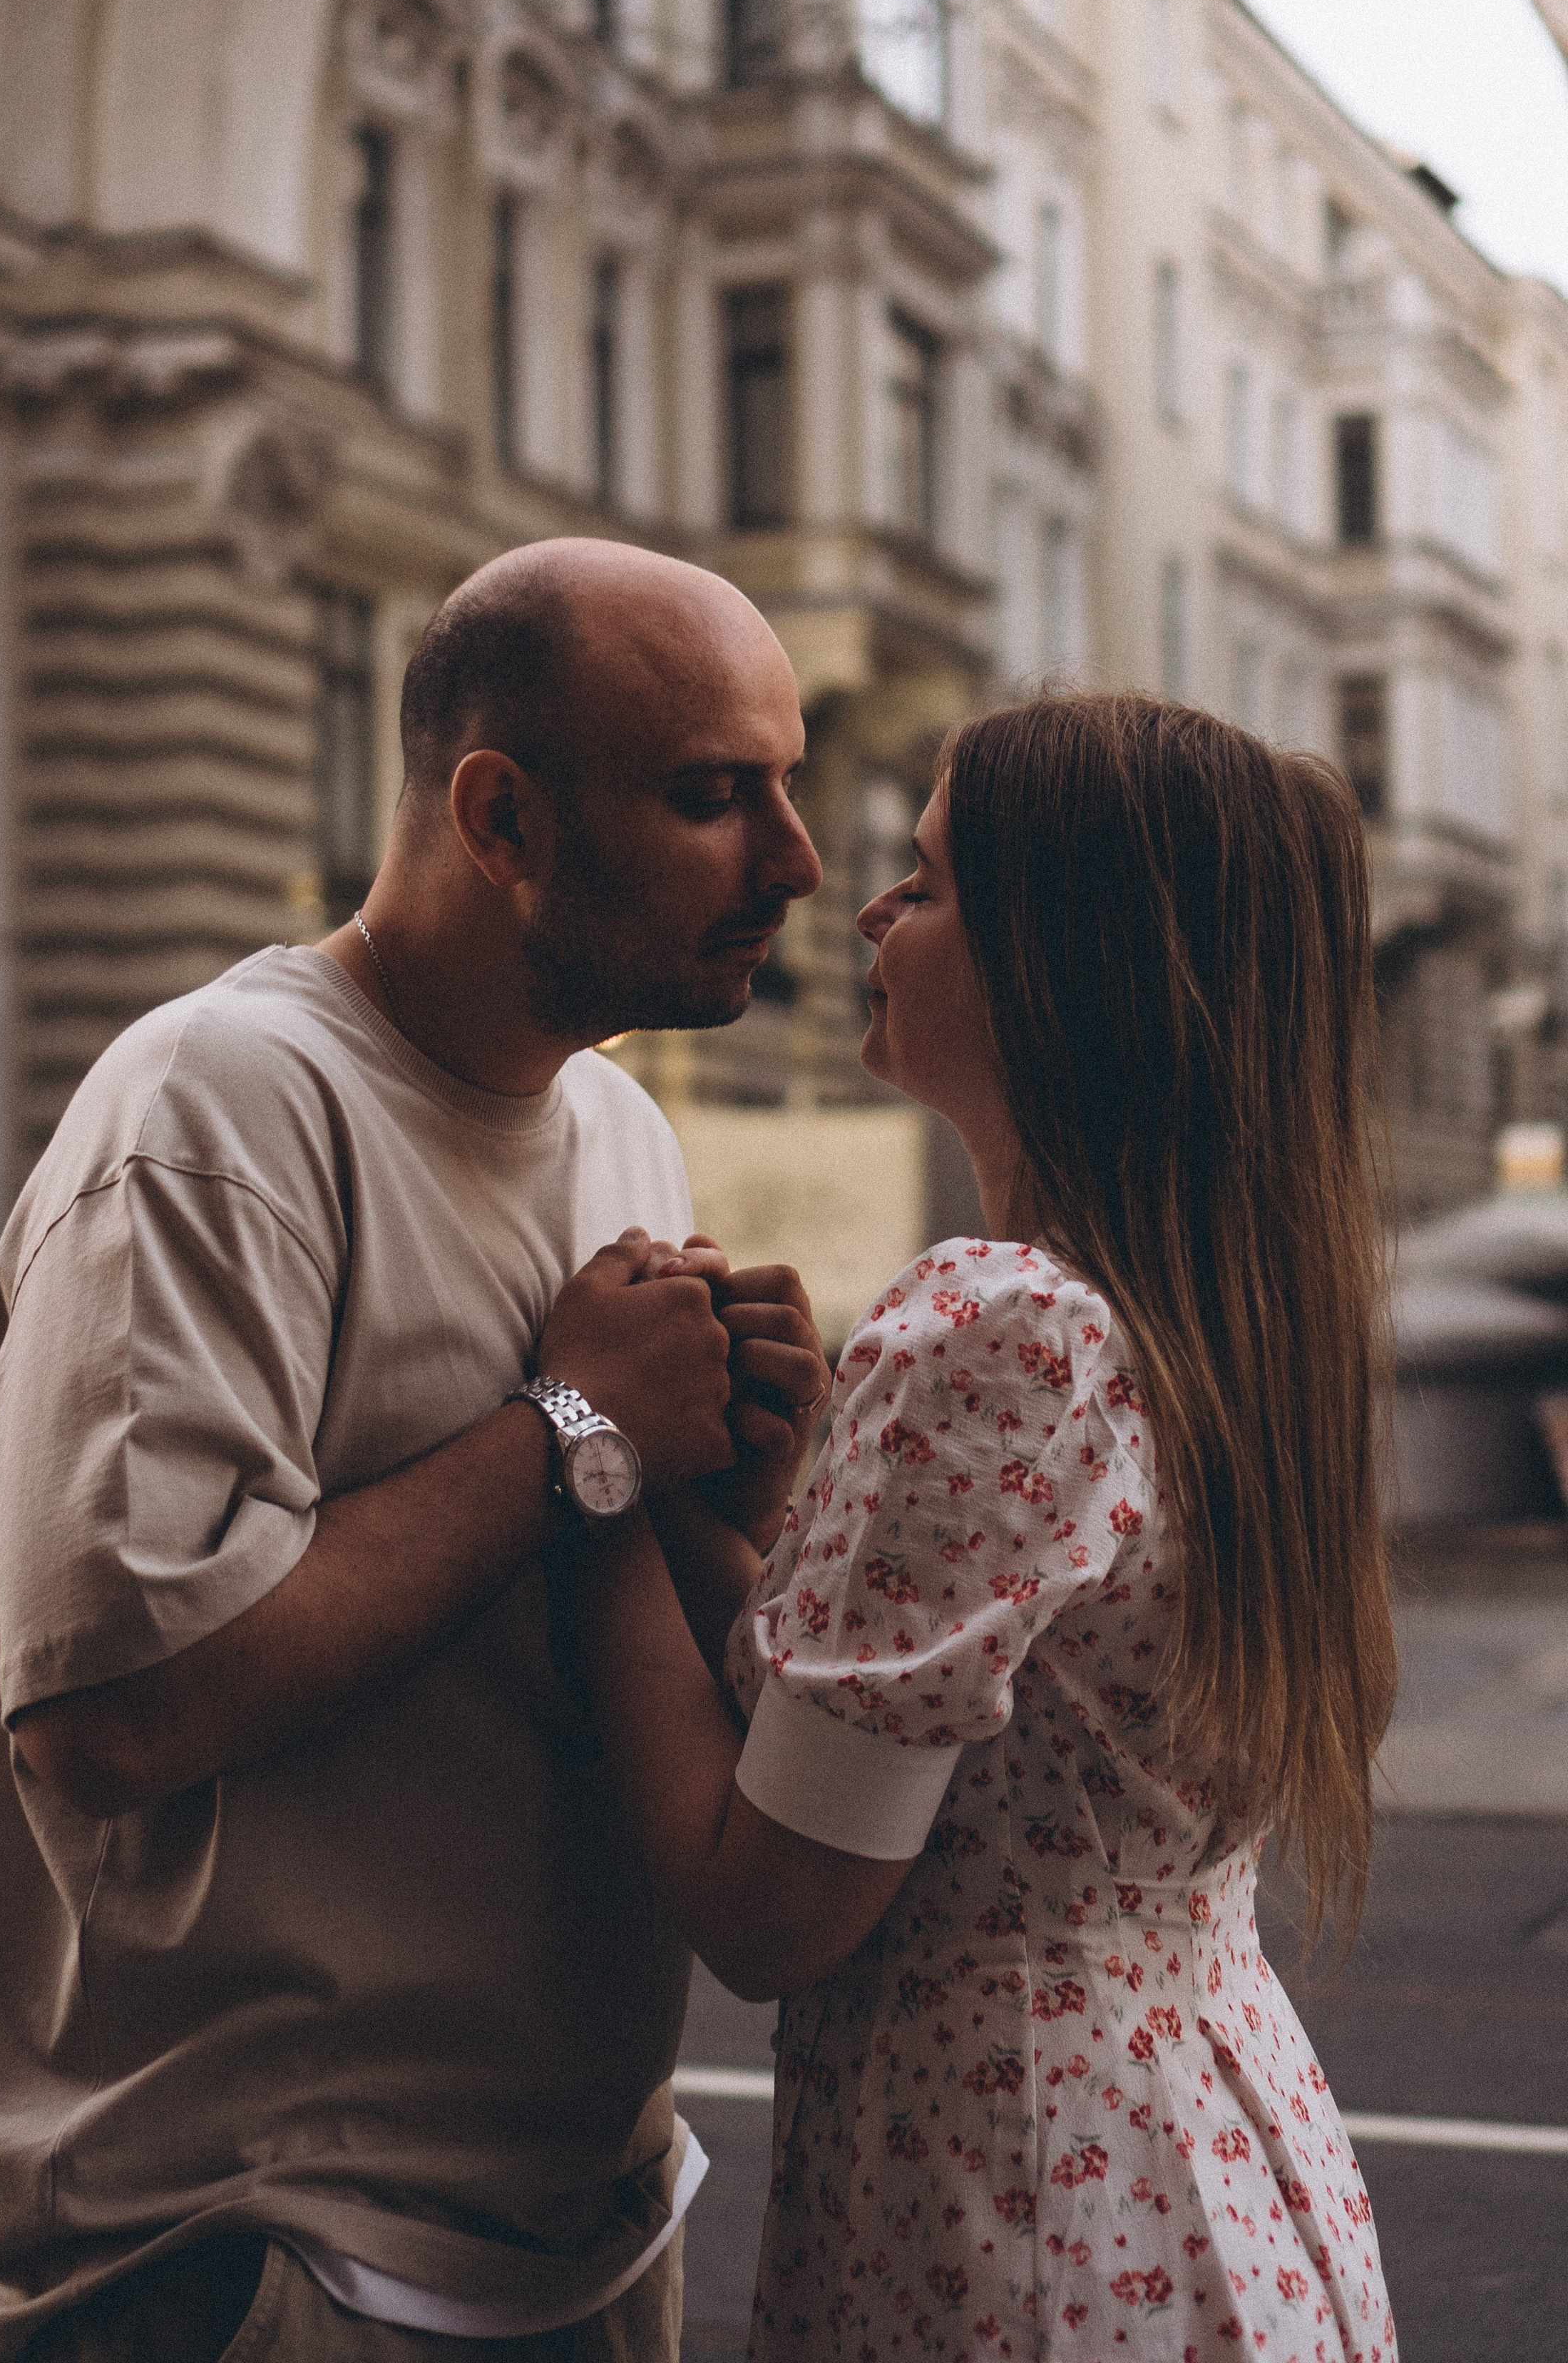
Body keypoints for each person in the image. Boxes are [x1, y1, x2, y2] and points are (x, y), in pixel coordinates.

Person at [0, 538, 831, 2363]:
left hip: (575, 2231)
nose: (795, 863)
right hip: (261, 2259)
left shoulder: (621, 1129)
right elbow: (113, 1708)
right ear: (499, 819)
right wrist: (578, 1426)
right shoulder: (217, 1110)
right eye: (712, 797)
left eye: (786, 792)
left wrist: (732, 1501)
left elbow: (589, 1594)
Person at [575, 693, 1401, 2363]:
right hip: (1213, 2185)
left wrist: (581, 1453)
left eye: (929, 879)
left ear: (1063, 959)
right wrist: (736, 1518)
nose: (867, 907)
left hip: (1016, 2218)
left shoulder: (999, 1325)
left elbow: (766, 1910)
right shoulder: (1199, 1321)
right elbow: (939, 1769)